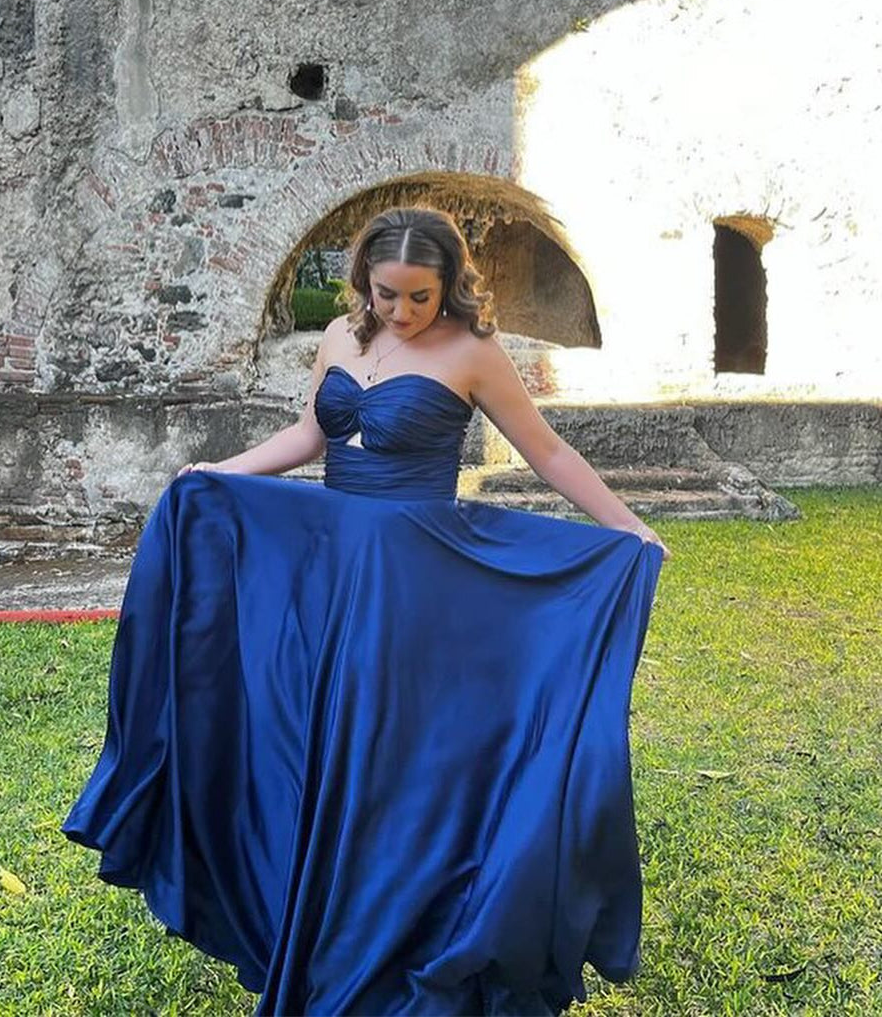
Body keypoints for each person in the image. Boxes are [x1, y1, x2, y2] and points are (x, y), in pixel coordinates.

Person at [61, 206, 668, 1016]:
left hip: (414, 580)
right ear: (363, 282)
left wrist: (626, 527)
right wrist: (219, 472)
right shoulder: (338, 340)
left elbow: (546, 450)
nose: (403, 311)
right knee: (304, 737)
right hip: (328, 570)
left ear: (449, 285)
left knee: (384, 750)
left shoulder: (473, 351)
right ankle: (307, 925)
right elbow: (308, 436)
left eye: (421, 296)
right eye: (388, 294)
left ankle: (394, 931)